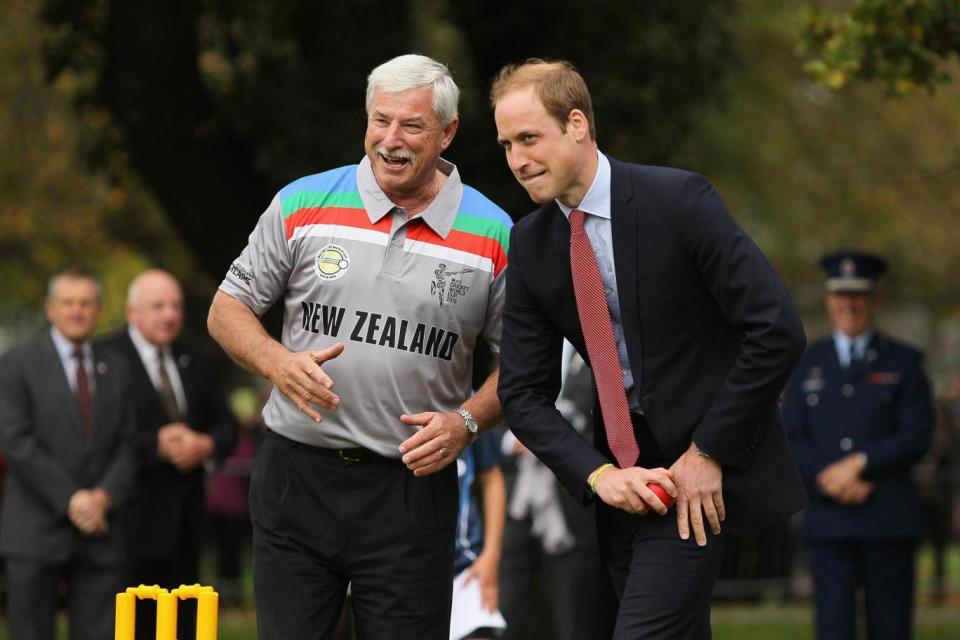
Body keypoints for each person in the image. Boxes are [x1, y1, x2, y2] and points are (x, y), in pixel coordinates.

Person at [492, 59, 807, 639]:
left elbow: (776, 329)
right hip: (619, 485)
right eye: (507, 144)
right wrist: (597, 476)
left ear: (578, 125)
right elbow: (521, 392)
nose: (516, 160)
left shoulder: (678, 199)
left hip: (699, 474)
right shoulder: (532, 243)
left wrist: (710, 450)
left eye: (529, 138)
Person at [207, 53, 511, 639]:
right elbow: (226, 308)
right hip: (297, 473)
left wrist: (467, 423)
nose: (390, 140)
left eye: (411, 126)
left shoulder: (494, 233)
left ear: (448, 132)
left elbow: (525, 365)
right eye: (380, 121)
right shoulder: (303, 202)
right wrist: (276, 359)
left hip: (411, 486)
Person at [783, 250, 933, 640]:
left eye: (858, 294)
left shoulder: (904, 363)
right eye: (840, 294)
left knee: (891, 628)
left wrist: (862, 463)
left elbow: (917, 435)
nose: (849, 304)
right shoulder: (806, 364)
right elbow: (792, 435)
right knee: (833, 628)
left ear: (875, 298)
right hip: (829, 521)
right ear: (829, 298)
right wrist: (830, 478)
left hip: (888, 519)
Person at [0, 268, 137, 640]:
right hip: (34, 532)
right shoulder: (16, 364)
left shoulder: (118, 367)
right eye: (68, 303)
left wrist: (102, 497)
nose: (77, 311)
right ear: (50, 308)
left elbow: (130, 444)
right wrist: (73, 499)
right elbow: (16, 441)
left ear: (98, 310)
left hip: (101, 533)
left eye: (86, 303)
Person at [100, 269, 236, 639]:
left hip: (186, 528)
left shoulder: (194, 356)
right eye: (158, 306)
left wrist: (203, 445)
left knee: (183, 629)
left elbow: (226, 426)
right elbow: (99, 437)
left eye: (175, 305)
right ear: (133, 313)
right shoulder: (105, 358)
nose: (169, 314)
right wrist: (155, 445)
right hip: (126, 526)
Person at [498, 341, 615, 640]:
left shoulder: (598, 338)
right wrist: (512, 440)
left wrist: (549, 440)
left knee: (575, 612)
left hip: (576, 504)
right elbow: (495, 399)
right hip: (517, 499)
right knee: (510, 608)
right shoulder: (520, 337)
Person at [450, 429, 507, 640]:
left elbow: (492, 477)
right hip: (402, 569)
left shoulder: (470, 402)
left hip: (465, 565)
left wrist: (491, 554)